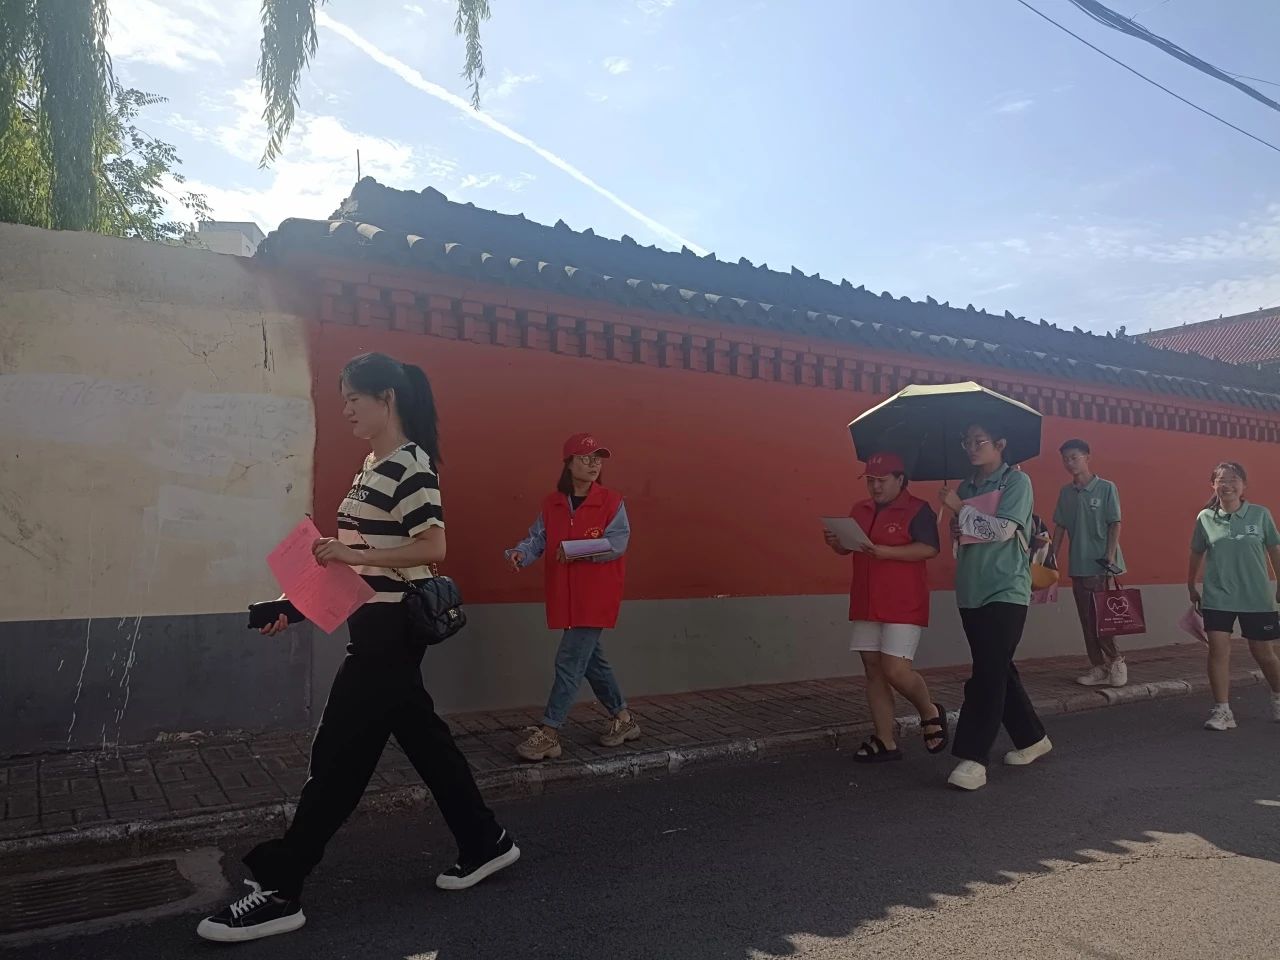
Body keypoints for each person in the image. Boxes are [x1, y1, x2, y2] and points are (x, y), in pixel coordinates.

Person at [197, 353, 518, 943]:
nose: (344, 409)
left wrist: (353, 553)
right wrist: (294, 605)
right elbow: (354, 564)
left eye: (352, 398)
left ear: (385, 398)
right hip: (370, 626)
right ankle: (485, 840)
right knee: (427, 745)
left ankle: (282, 888)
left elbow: (433, 547)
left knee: (336, 762)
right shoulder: (372, 464)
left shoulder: (411, 465)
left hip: (391, 634)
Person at [506, 434, 638, 762]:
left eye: (598, 458)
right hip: (564, 595)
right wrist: (521, 553)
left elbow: (617, 543)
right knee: (591, 661)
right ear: (568, 463)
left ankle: (549, 732)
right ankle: (623, 718)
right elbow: (538, 537)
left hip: (596, 595)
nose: (594, 464)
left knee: (568, 661)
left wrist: (575, 549)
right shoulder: (552, 503)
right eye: (585, 458)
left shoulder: (612, 501)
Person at [938, 422, 1051, 791]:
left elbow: (1003, 530)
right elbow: (964, 543)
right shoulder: (965, 486)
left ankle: (974, 757)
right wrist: (956, 526)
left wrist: (960, 510)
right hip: (971, 588)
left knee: (986, 673)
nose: (971, 448)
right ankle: (1032, 738)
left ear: (1000, 444)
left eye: (979, 441)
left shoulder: (1016, 482)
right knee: (997, 666)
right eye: (966, 442)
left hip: (1006, 588)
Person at [824, 451, 948, 762]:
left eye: (881, 480)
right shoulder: (860, 509)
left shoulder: (918, 509)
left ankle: (929, 711)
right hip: (867, 599)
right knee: (873, 669)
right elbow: (852, 548)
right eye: (870, 480)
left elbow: (929, 549)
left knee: (896, 670)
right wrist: (837, 544)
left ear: (899, 479)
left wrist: (886, 552)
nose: (875, 487)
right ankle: (884, 739)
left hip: (903, 601)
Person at [1186, 461, 1280, 731]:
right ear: (1213, 485)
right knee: (1217, 650)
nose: (1227, 485)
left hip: (1256, 596)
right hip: (1218, 595)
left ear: (1243, 485)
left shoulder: (1260, 514)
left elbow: (1274, 549)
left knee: (1263, 653)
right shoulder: (1205, 518)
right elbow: (1196, 552)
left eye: (1233, 480)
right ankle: (1223, 710)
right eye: (1222, 480)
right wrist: (1191, 585)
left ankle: (1278, 696)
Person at [1050, 439, 1128, 688]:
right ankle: (1098, 666)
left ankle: (1116, 661)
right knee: (1086, 618)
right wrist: (1051, 556)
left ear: (1087, 457)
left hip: (1101, 564)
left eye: (1074, 457)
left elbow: (1114, 523)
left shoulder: (1106, 488)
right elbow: (1060, 526)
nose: (1069, 463)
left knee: (1102, 617)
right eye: (1065, 459)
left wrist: (1110, 555)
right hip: (1079, 563)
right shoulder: (1066, 493)